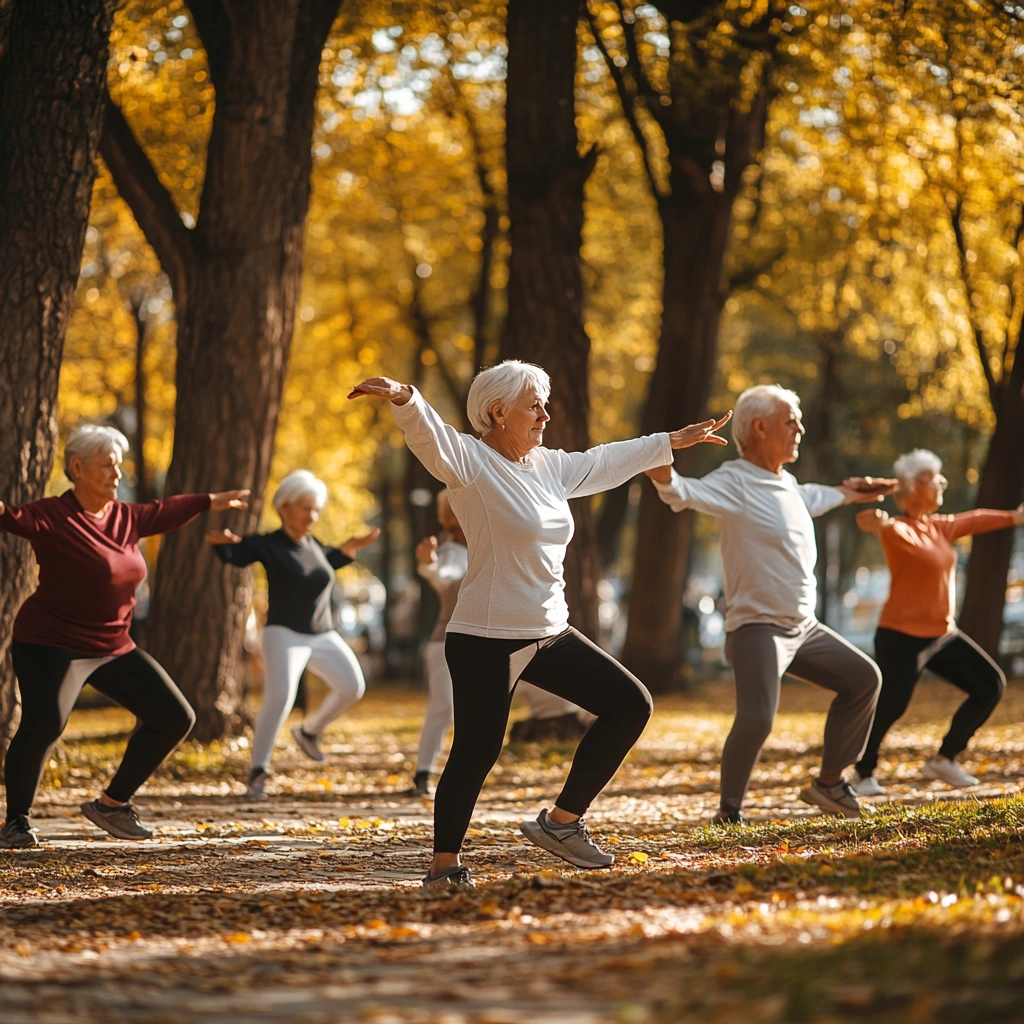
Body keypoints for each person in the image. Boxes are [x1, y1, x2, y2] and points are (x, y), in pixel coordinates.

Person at [349, 360, 731, 888]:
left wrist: (670, 440)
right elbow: (430, 436)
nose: (545, 415)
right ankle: (444, 867)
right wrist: (406, 397)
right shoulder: (470, 462)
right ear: (498, 411)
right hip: (484, 635)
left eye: (544, 405)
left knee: (630, 704)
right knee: (478, 748)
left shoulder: (548, 467)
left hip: (548, 631)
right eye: (534, 406)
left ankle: (562, 822)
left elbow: (605, 460)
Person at [647, 384, 893, 823]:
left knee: (863, 679)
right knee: (758, 718)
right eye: (790, 421)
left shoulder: (789, 484)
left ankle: (830, 784)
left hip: (804, 628)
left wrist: (851, 492)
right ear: (760, 428)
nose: (800, 428)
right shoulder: (734, 481)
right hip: (757, 628)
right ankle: (728, 813)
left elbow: (814, 498)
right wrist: (659, 467)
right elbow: (682, 492)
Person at [0, 424, 248, 849]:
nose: (117, 475)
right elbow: (10, 517)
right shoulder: (53, 515)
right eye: (107, 466)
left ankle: (111, 805)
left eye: (119, 466)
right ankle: (15, 822)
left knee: (175, 716)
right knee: (46, 722)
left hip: (112, 645)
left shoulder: (125, 517)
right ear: (77, 468)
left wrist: (209, 501)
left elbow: (165, 510)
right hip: (50, 639)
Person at [850, 450, 1024, 795]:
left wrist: (1015, 517)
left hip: (942, 635)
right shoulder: (897, 527)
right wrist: (877, 523)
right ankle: (862, 774)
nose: (941, 482)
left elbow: (974, 520)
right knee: (891, 705)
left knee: (990, 685)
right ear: (913, 487)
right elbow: (876, 524)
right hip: (900, 635)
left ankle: (944, 759)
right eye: (934, 478)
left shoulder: (938, 527)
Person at [208, 469, 379, 797]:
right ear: (284, 507)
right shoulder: (269, 544)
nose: (311, 515)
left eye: (315, 509)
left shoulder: (314, 545)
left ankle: (309, 732)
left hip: (321, 633)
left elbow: (326, 565)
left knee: (352, 686)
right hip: (283, 634)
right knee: (280, 698)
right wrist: (219, 542)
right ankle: (259, 771)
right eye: (305, 508)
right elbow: (236, 553)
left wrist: (350, 548)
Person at [408, 489, 468, 797]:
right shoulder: (452, 552)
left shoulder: (491, 544)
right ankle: (423, 774)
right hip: (446, 641)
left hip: (486, 642)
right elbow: (443, 574)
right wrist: (427, 564)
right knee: (444, 708)